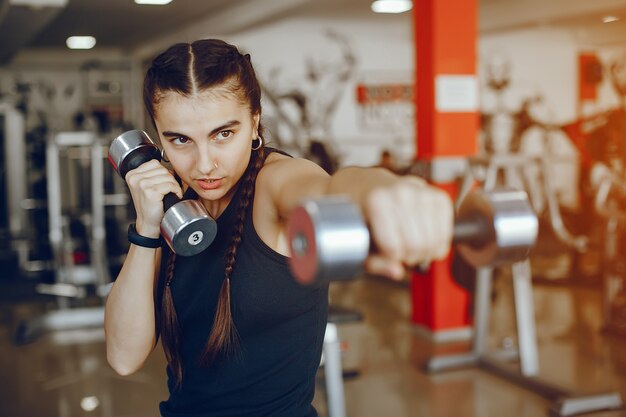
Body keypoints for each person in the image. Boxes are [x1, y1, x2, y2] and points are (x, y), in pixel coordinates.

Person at [104, 39, 453, 417]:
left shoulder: (274, 184)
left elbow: (331, 187)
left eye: (224, 134)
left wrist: (385, 189)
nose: (204, 165)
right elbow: (124, 357)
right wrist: (147, 227)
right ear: (157, 138)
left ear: (254, 121)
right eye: (180, 140)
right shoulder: (174, 207)